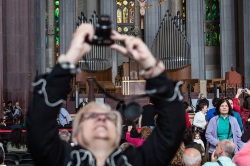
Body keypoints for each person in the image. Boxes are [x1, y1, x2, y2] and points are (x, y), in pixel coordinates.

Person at [26, 23, 186, 166]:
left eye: (109, 118)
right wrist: (70, 58)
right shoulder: (62, 161)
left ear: (117, 136)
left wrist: (151, 66)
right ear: (75, 135)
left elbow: (172, 128)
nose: (102, 118)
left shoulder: (135, 162)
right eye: (91, 116)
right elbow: (39, 126)